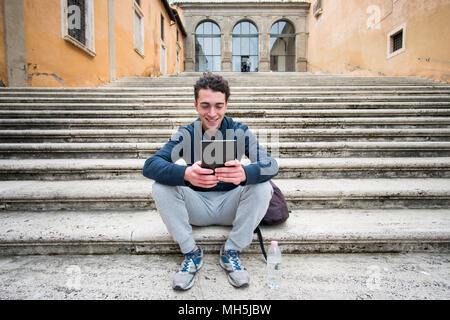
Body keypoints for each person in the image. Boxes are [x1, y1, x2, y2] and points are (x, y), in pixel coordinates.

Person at [142, 72, 278, 290]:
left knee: (263, 185)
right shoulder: (186, 133)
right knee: (160, 187)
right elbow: (150, 165)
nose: (212, 113)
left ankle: (231, 251)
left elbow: (270, 164)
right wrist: (185, 174)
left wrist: (244, 173)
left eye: (218, 106)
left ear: (226, 105)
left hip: (232, 207)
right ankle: (191, 253)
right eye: (205, 105)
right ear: (196, 105)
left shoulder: (240, 131)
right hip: (197, 207)